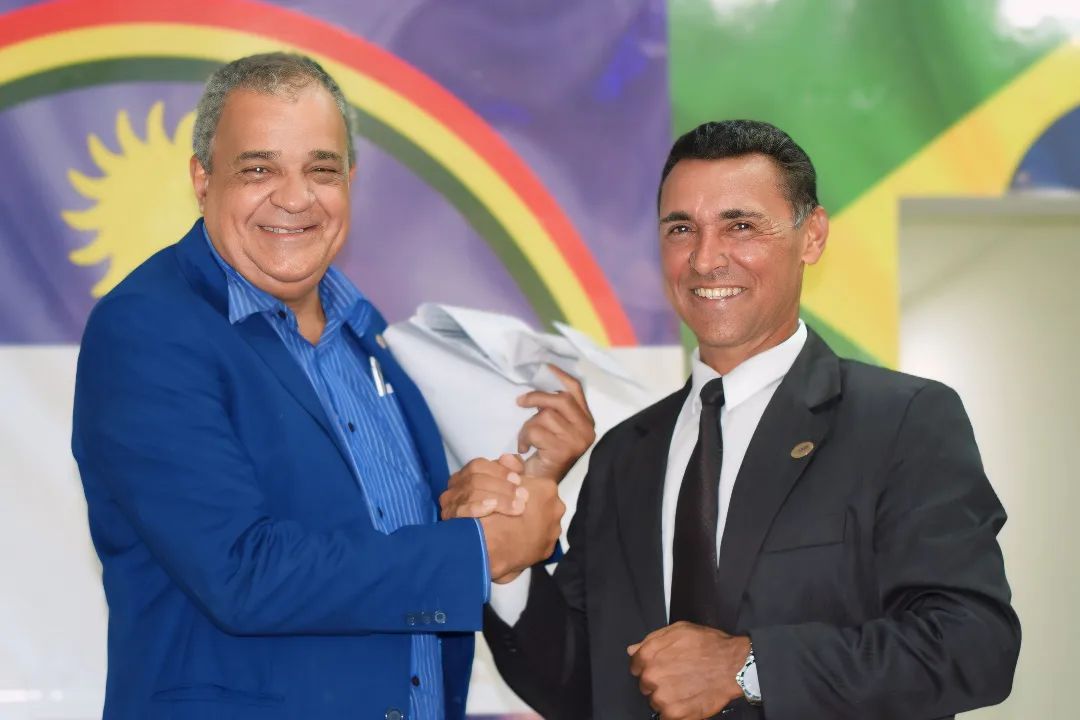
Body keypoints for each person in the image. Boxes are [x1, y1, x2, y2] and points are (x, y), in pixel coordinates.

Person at [71, 52, 592, 720]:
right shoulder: (149, 329)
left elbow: (389, 548)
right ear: (203, 179)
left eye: (320, 169)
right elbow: (241, 573)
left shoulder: (368, 340)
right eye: (258, 169)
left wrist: (508, 495)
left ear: (349, 180)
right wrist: (475, 550)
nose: (295, 197)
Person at [444, 120, 1021, 719]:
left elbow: (974, 645)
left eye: (740, 226)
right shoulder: (625, 454)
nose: (705, 258)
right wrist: (510, 566)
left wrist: (748, 667)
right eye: (681, 229)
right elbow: (582, 686)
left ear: (812, 236)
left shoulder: (902, 419)